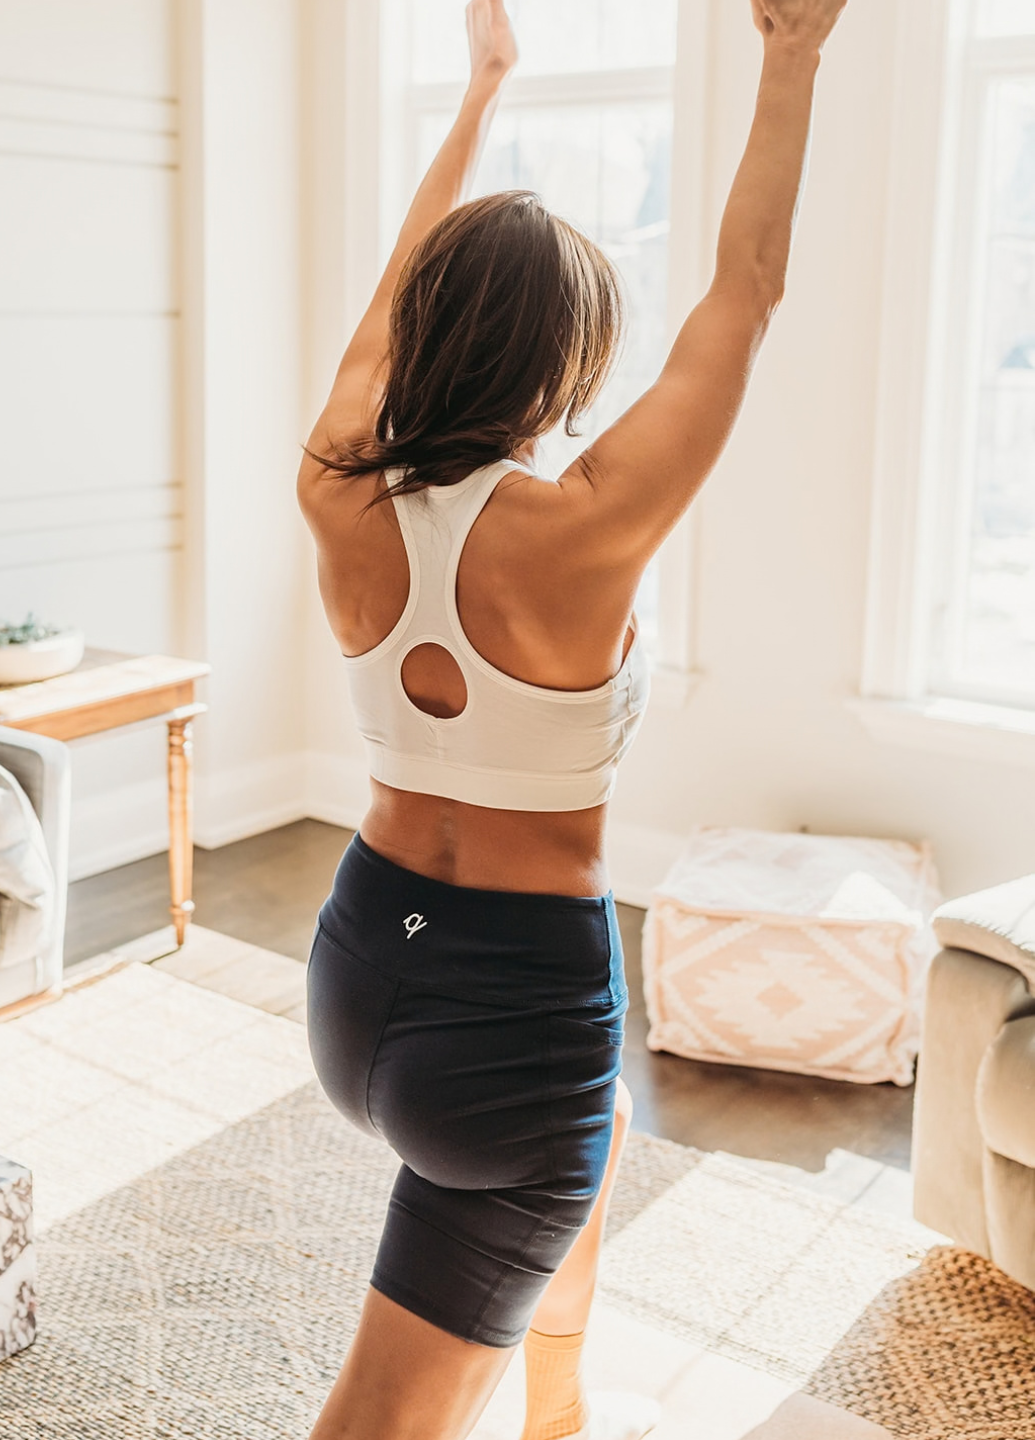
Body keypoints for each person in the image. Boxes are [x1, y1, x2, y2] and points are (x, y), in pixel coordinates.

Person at [297, 1, 849, 1436]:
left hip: (358, 970)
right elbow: (747, 287)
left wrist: (483, 91)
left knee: (574, 1150)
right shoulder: (583, 530)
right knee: (383, 1418)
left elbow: (400, 278)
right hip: (511, 1019)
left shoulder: (338, 483)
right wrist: (789, 56)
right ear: (566, 368)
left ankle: (561, 1406)